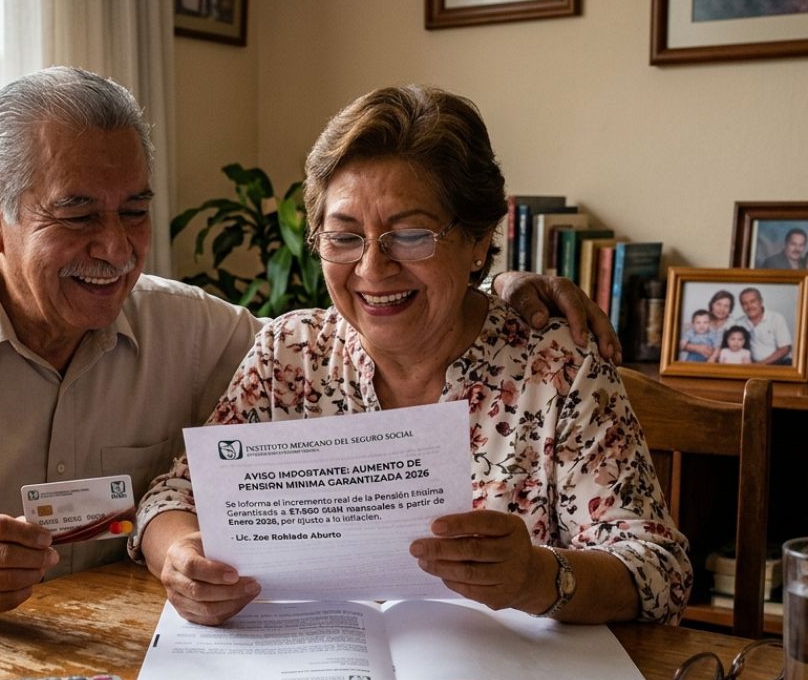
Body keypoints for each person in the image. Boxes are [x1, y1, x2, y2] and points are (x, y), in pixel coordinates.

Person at [0, 67, 625, 627]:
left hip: (132, 679)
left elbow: (368, 331)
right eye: (78, 214)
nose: (116, 247)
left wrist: (496, 285)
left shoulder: (206, 331)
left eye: (135, 209)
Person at [132, 84, 691, 628]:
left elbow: (659, 571)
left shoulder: (559, 370)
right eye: (345, 236)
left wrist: (537, 578)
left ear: (478, 241)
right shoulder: (292, 353)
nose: (373, 269)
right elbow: (173, 495)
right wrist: (180, 555)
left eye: (411, 235)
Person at [738, 286, 793, 365]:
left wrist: (760, 365)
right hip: (754, 366)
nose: (749, 306)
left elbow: (785, 349)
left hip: (780, 364)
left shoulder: (776, 318)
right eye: (745, 303)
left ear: (761, 301)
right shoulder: (739, 323)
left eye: (752, 301)